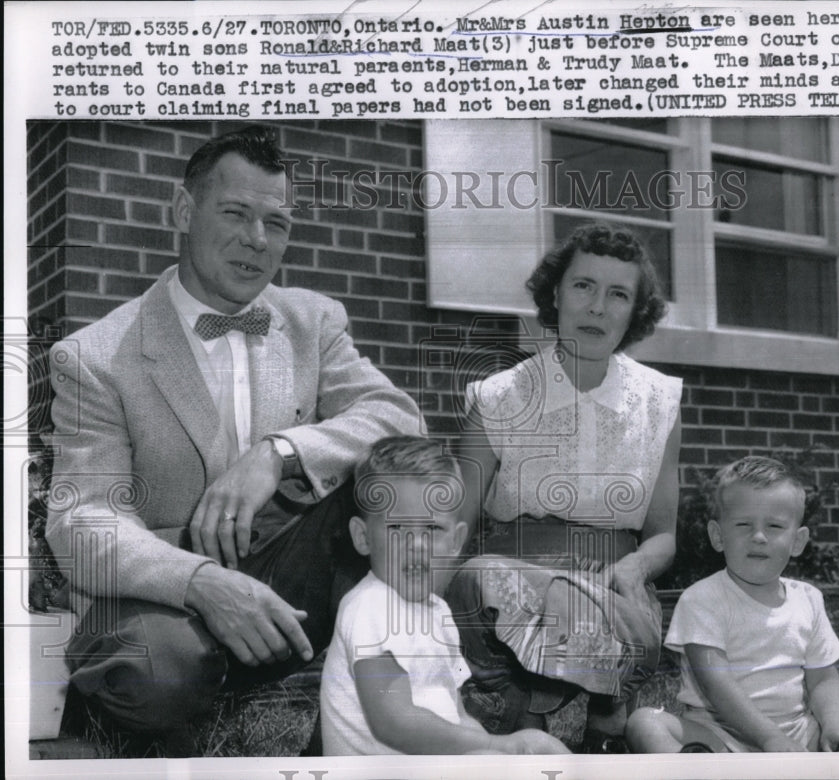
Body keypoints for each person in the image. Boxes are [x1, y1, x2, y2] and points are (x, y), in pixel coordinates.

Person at [44, 126, 422, 751]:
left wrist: (280, 453)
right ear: (185, 211)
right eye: (236, 214)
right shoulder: (95, 356)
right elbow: (83, 522)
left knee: (391, 487)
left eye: (276, 222)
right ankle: (203, 686)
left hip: (289, 564)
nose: (257, 240)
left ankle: (349, 682)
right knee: (153, 671)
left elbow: (398, 416)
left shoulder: (312, 320)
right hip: (167, 591)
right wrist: (202, 581)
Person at [445, 224, 682, 753]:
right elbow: (454, 527)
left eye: (618, 294)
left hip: (614, 597)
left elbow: (663, 535)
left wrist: (637, 567)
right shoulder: (500, 396)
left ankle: (607, 724)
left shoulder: (659, 401)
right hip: (510, 597)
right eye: (584, 286)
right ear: (556, 293)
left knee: (627, 623)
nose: (598, 307)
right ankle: (516, 724)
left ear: (635, 310)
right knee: (473, 583)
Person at [626, 456, 839, 754]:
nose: (758, 536)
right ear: (717, 535)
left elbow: (823, 680)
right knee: (645, 722)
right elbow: (716, 684)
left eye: (773, 526)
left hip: (798, 734)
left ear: (797, 541)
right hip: (720, 736)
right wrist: (769, 738)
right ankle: (698, 769)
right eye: (744, 525)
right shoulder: (702, 599)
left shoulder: (808, 599)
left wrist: (835, 724)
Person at [321, 436, 570, 755]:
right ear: (363, 537)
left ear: (456, 542)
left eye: (433, 529)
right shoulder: (370, 606)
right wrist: (497, 744)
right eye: (397, 527)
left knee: (545, 757)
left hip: (427, 767)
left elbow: (456, 713)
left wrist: (496, 754)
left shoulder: (436, 610)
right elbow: (394, 722)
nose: (417, 544)